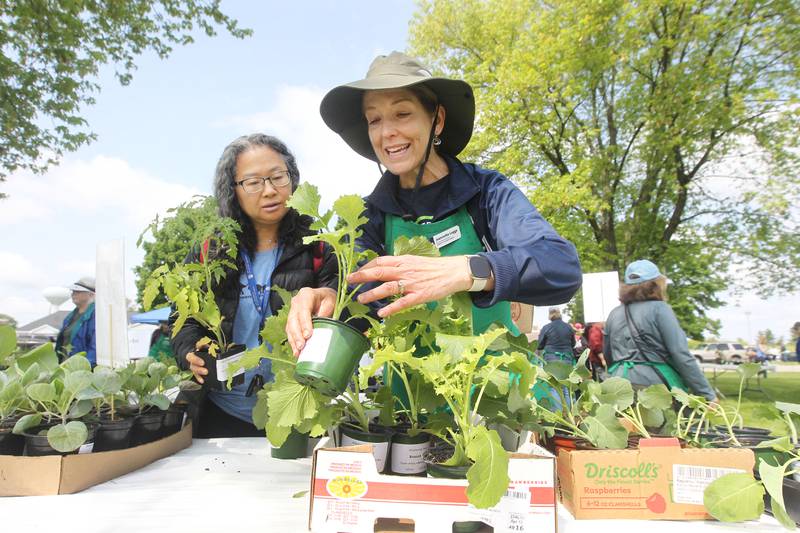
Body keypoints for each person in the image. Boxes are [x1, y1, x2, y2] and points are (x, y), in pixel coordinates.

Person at [286, 51, 581, 353]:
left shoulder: (486, 192)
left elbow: (560, 267)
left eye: (402, 114)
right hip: (412, 397)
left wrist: (470, 270)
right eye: (374, 119)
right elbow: (363, 302)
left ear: (436, 120)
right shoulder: (365, 217)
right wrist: (327, 300)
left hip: (496, 391)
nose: (387, 132)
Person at [170, 134, 338, 438]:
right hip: (223, 413)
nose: (270, 191)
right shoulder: (210, 252)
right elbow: (182, 319)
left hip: (300, 410)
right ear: (232, 190)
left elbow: (341, 313)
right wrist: (189, 351)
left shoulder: (319, 245)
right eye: (253, 182)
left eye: (278, 177)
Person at [604, 260, 716, 401]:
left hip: (618, 384)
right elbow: (680, 354)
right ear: (656, 284)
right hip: (653, 387)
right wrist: (706, 393)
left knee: (624, 423)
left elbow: (608, 355)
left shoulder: (614, 313)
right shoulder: (660, 309)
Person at [55, 276, 96, 366]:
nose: (73, 294)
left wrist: (86, 367)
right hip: (65, 366)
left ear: (91, 294)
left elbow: (95, 346)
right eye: (73, 291)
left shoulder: (96, 316)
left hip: (82, 369)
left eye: (78, 291)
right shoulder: (69, 318)